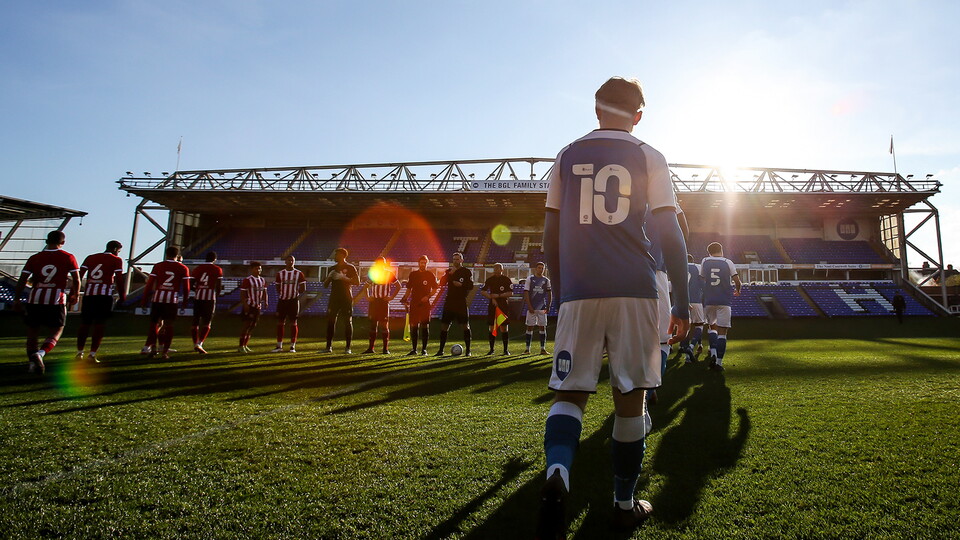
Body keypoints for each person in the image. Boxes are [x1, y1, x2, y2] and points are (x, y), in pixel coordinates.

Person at [537, 76, 689, 537]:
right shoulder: (649, 155)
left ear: (596, 109)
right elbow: (670, 234)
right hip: (636, 289)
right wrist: (681, 301)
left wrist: (562, 294)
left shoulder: (565, 156)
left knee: (570, 393)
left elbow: (548, 239)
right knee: (631, 399)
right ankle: (623, 502)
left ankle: (558, 472)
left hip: (580, 290)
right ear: (638, 115)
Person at [13, 230, 81, 374]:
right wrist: (75, 294)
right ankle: (41, 354)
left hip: (35, 297)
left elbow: (22, 280)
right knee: (57, 330)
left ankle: (32, 365)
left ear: (46, 241)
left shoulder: (35, 257)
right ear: (62, 242)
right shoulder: (68, 257)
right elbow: (76, 279)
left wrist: (17, 298)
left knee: (32, 332)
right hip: (56, 298)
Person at [76, 240, 125, 363]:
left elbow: (79, 275)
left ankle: (79, 352)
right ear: (115, 249)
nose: (118, 254)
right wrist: (122, 295)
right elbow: (119, 279)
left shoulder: (91, 258)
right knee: (99, 325)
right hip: (104, 296)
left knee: (85, 324)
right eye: (118, 251)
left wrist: (75, 291)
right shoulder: (116, 260)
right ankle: (92, 354)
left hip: (89, 295)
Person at [140, 246, 191, 360]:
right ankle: (164, 352)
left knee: (154, 324)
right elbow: (187, 287)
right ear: (177, 256)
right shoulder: (183, 268)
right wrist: (185, 301)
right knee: (169, 325)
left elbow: (149, 284)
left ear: (166, 254)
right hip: (171, 299)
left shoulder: (158, 266)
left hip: (158, 298)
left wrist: (144, 299)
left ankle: (153, 348)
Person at [701, 242, 742, 371]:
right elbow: (737, 280)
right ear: (721, 250)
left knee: (711, 326)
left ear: (709, 252)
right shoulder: (728, 262)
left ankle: (712, 353)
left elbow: (702, 279)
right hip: (724, 300)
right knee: (722, 333)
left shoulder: (705, 261)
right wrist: (738, 290)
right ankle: (718, 363)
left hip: (709, 300)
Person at [434, 252, 474, 356]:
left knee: (465, 326)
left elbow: (470, 286)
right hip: (450, 301)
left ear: (461, 260)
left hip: (461, 301)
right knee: (444, 326)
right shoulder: (449, 271)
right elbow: (441, 283)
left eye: (457, 259)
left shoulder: (466, 272)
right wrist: (449, 274)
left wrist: (461, 284)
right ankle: (441, 350)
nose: (456, 261)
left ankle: (468, 351)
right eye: (454, 259)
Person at [358, 257, 400, 354]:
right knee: (373, 325)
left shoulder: (389, 274)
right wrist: (368, 297)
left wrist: (391, 297)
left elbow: (398, 286)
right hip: (374, 302)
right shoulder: (374, 274)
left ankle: (385, 349)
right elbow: (365, 286)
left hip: (383, 302)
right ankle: (371, 348)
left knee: (384, 325)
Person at [322, 248, 360, 354]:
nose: (335, 256)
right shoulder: (332, 268)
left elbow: (357, 282)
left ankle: (348, 348)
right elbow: (325, 285)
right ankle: (328, 347)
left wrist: (343, 278)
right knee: (331, 322)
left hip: (346, 298)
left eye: (337, 254)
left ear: (343, 255)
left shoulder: (350, 267)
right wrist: (329, 277)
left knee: (348, 322)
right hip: (334, 298)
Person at [401, 255, 438, 356]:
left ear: (427, 263)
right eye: (421, 262)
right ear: (419, 263)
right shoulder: (413, 274)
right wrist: (404, 298)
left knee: (425, 325)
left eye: (425, 263)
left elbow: (435, 288)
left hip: (425, 304)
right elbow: (409, 289)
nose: (423, 264)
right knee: (414, 326)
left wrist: (428, 296)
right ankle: (414, 349)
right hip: (414, 303)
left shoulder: (430, 275)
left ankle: (424, 350)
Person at [190, 251, 222, 354]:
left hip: (198, 297)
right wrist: (215, 295)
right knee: (207, 323)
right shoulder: (217, 269)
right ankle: (200, 343)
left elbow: (191, 284)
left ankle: (195, 343)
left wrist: (198, 290)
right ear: (215, 259)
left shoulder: (198, 268)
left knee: (195, 322)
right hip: (210, 299)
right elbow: (219, 286)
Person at [273, 255, 306, 353]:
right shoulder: (280, 274)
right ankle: (279, 346)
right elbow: (278, 288)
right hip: (282, 301)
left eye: (292, 260)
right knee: (280, 323)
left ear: (294, 262)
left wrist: (294, 294)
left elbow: (303, 287)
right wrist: (284, 295)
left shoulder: (299, 273)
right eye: (288, 260)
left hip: (293, 301)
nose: (290, 261)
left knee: (293, 323)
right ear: (285, 262)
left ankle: (292, 346)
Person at [480, 262, 514, 355]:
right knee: (492, 327)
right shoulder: (490, 280)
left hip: (503, 305)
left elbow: (511, 293)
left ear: (502, 270)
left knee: (504, 327)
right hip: (493, 305)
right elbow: (483, 291)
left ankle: (505, 350)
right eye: (494, 269)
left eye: (498, 269)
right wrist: (491, 297)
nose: (496, 270)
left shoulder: (506, 280)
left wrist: (499, 295)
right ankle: (491, 350)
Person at [678, 253, 705, 363]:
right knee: (699, 325)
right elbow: (703, 284)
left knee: (686, 327)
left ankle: (687, 357)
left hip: (683, 301)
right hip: (696, 300)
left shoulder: (679, 267)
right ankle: (692, 346)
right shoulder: (698, 267)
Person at [523, 262, 552, 355]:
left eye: (542, 268)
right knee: (529, 327)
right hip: (532, 307)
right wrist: (529, 305)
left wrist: (548, 305)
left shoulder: (546, 280)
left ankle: (543, 349)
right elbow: (526, 292)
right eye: (539, 268)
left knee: (542, 327)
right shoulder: (530, 279)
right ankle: (527, 349)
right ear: (536, 269)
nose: (541, 269)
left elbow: (549, 293)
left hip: (542, 307)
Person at [238, 261, 268, 353]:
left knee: (253, 326)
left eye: (260, 268)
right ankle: (241, 346)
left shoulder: (262, 280)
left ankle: (245, 345)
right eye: (256, 268)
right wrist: (245, 304)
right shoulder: (248, 280)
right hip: (250, 305)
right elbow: (243, 293)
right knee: (247, 325)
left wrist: (266, 301)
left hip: (257, 306)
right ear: (251, 269)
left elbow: (264, 292)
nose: (258, 270)